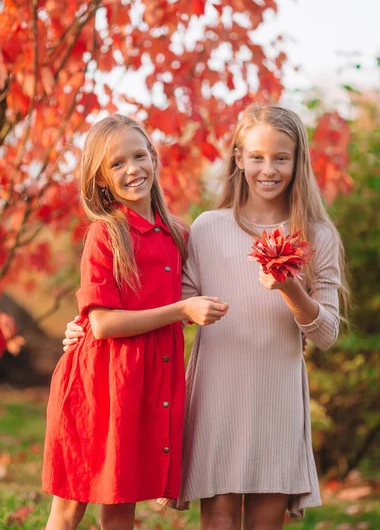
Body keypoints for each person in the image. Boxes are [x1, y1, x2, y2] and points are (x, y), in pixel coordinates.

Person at [64, 104, 348, 530]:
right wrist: (88, 326)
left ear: (297, 161)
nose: (267, 169)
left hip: (278, 393)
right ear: (238, 159)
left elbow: (326, 332)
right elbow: (160, 298)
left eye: (281, 158)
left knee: (267, 520)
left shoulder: (317, 235)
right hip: (216, 391)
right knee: (217, 518)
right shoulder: (206, 229)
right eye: (256, 157)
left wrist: (289, 288)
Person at [42, 114, 228, 530]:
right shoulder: (106, 233)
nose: (133, 169)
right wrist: (181, 312)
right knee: (70, 506)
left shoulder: (177, 233)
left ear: (154, 158)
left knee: (121, 501)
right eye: (118, 164)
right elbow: (104, 324)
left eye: (139, 156)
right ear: (102, 180)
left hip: (145, 385)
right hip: (98, 383)